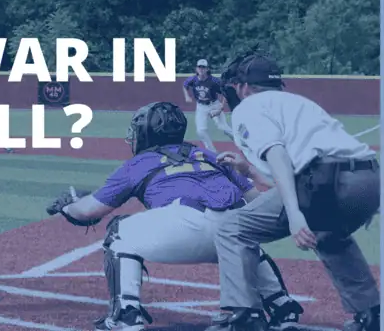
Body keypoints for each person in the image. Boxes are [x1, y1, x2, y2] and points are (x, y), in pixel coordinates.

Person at [45, 102, 303, 331]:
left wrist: (66, 208)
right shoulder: (209, 155)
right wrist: (253, 174)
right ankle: (282, 305)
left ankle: (126, 314)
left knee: (118, 231)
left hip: (185, 225)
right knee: (242, 236)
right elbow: (259, 202)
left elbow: (88, 211)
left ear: (146, 133)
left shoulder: (139, 162)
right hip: (232, 229)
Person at [207, 52, 380, 331]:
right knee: (328, 234)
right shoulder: (299, 103)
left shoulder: (249, 107)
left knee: (232, 227)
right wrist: (250, 171)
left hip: (326, 180)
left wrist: (295, 215)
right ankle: (371, 314)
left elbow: (278, 156)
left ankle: (245, 316)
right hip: (368, 179)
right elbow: (292, 174)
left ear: (244, 87)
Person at [183, 59, 234, 151]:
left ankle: (240, 142)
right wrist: (187, 96)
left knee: (222, 127)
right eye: (199, 67)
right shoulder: (193, 80)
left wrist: (220, 108)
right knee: (200, 130)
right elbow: (185, 85)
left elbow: (225, 93)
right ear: (196, 69)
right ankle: (212, 151)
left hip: (214, 105)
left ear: (207, 69)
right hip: (201, 106)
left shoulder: (214, 81)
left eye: (203, 67)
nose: (201, 69)